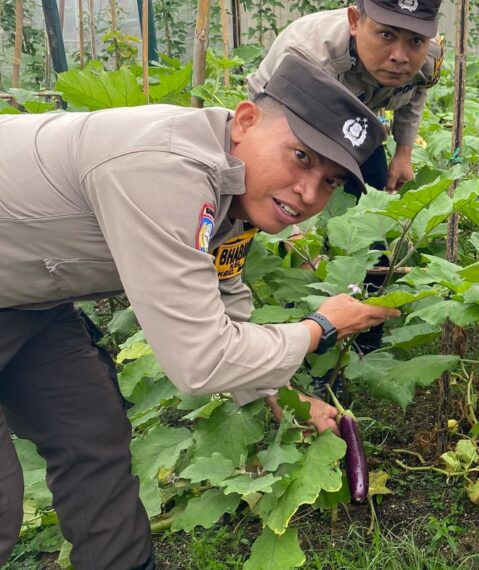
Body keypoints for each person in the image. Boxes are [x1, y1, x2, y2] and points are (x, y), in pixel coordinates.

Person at [0, 54, 402, 569]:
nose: (308, 192)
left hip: (25, 296)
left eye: (330, 181)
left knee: (90, 435)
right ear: (246, 121)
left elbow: (223, 292)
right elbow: (200, 358)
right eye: (301, 157)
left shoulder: (233, 186)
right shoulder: (165, 169)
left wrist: (279, 393)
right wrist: (320, 327)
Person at [248, 0, 444, 193]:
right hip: (283, 110)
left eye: (415, 40)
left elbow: (417, 87)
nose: (400, 57)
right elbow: (284, 132)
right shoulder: (308, 56)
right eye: (386, 35)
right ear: (354, 21)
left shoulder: (428, 54)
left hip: (358, 113)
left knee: (372, 185)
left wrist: (403, 154)